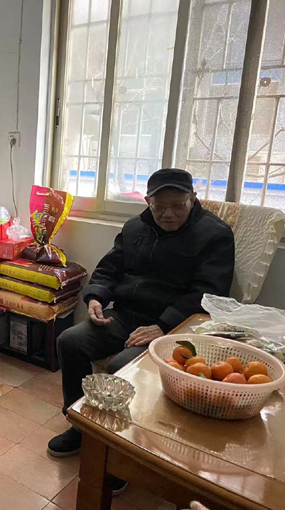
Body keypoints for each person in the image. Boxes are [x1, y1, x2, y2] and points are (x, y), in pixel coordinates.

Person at [48, 168, 235, 462]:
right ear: (148, 201)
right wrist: (95, 297)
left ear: (193, 199)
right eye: (159, 206)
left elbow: (209, 293)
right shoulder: (135, 227)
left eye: (177, 205)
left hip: (174, 328)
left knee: (123, 366)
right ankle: (81, 425)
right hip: (124, 316)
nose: (168, 214)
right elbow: (109, 269)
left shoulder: (215, 235)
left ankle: (121, 447)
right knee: (70, 341)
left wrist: (163, 326)